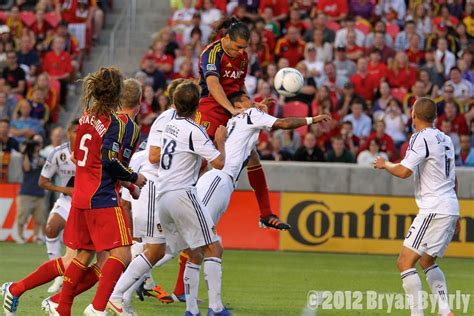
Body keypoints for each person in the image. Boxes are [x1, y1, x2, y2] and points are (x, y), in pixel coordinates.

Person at [53, 67, 146, 316]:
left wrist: (127, 183)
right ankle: (97, 308)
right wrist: (134, 178)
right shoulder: (115, 123)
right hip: (101, 196)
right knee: (123, 254)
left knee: (81, 256)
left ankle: (61, 306)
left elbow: (79, 155)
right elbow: (109, 161)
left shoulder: (86, 115)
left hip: (81, 194)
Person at [196, 17, 290, 230]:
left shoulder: (243, 57)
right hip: (211, 108)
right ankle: (189, 201)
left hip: (233, 108)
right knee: (201, 157)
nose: (241, 51)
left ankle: (266, 214)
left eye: (244, 48)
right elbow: (213, 84)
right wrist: (230, 109)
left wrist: (251, 104)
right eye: (238, 47)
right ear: (226, 38)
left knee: (252, 154)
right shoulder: (212, 53)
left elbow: (239, 86)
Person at [374, 98, 459, 316]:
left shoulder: (420, 138)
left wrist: (385, 165)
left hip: (434, 207)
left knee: (404, 262)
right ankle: (444, 311)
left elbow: (404, 172)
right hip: (449, 205)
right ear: (435, 117)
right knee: (427, 260)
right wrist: (456, 215)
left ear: (414, 115)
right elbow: (453, 178)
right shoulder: (446, 139)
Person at [38, 120, 78, 294]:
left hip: (89, 203)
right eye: (75, 131)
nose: (78, 134)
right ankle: (58, 275)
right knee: (51, 228)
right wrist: (64, 189)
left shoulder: (93, 152)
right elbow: (43, 181)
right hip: (67, 200)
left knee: (83, 247)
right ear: (68, 132)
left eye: (81, 131)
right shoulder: (58, 154)